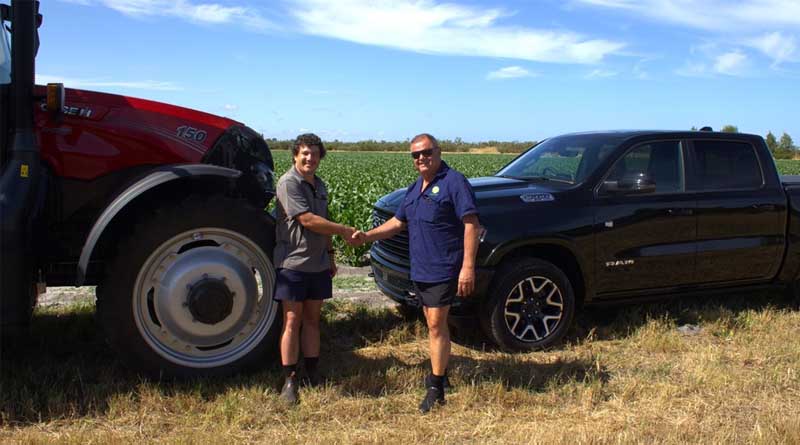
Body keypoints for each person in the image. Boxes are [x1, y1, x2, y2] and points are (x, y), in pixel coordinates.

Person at [352, 133, 480, 413]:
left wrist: (467, 267)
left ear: (438, 151)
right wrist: (367, 236)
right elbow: (398, 223)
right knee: (434, 322)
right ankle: (442, 373)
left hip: (444, 266)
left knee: (435, 324)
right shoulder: (415, 189)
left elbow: (471, 225)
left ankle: (436, 387)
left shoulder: (454, 182)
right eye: (415, 155)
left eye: (426, 152)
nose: (421, 158)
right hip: (420, 268)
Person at [273, 133, 357, 405]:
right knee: (292, 321)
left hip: (318, 264)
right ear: (296, 155)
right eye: (305, 153)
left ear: (321, 157)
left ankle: (313, 371)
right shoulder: (289, 183)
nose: (310, 158)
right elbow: (308, 220)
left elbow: (324, 221)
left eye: (315, 154)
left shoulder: (319, 185)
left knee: (312, 320)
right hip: (293, 263)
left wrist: (331, 255)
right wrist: (345, 230)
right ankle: (290, 380)